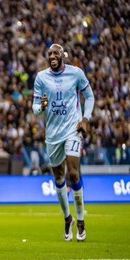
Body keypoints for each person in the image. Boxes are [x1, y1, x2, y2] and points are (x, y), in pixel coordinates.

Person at [32, 44, 95, 242]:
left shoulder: (76, 73)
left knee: (73, 173)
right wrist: (40, 107)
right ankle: (68, 218)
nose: (52, 55)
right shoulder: (41, 78)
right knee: (59, 178)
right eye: (49, 53)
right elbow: (35, 108)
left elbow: (90, 96)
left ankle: (82, 219)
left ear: (63, 56)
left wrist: (85, 118)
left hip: (72, 130)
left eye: (56, 53)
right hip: (52, 135)